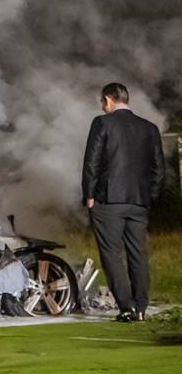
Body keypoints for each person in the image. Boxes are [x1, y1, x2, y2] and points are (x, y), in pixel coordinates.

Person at [81, 82, 166, 322]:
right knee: (138, 254)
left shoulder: (102, 123)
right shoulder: (149, 128)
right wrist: (151, 197)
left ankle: (126, 306)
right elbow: (159, 168)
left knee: (112, 255)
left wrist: (88, 196)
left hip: (108, 201)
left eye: (102, 102)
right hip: (139, 202)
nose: (102, 106)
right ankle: (141, 307)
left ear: (107, 100)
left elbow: (92, 162)